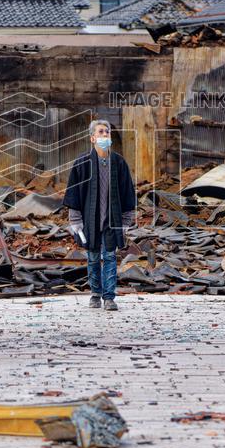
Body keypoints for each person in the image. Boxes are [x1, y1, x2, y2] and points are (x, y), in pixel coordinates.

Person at [63, 120, 136, 311]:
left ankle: (109, 297)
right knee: (94, 257)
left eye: (108, 132)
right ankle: (95, 293)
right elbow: (74, 193)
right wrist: (75, 221)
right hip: (90, 220)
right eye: (101, 132)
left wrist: (126, 221)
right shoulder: (82, 163)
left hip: (112, 220)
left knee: (110, 256)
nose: (105, 135)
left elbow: (128, 192)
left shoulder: (119, 163)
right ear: (92, 138)